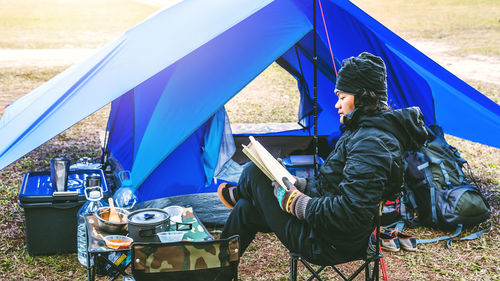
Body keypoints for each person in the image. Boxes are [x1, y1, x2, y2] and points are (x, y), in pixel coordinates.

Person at [217, 52, 428, 264]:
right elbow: (333, 185)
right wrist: (301, 184)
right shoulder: (364, 132)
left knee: (255, 172)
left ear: (364, 98)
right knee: (246, 209)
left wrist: (298, 202)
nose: (337, 105)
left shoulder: (372, 144)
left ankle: (241, 194)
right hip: (326, 229)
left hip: (328, 242)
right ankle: (218, 270)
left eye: (342, 97)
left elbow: (351, 213)